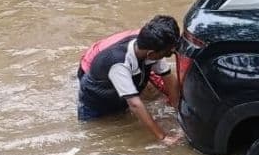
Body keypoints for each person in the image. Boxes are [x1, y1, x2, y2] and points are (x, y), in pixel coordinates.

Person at [76, 15, 183, 145]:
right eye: (167, 53)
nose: (171, 53)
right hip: (95, 105)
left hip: (117, 94)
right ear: (151, 54)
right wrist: (163, 137)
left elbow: (168, 78)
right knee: (98, 138)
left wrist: (179, 113)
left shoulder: (150, 46)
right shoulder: (118, 63)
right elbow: (135, 104)